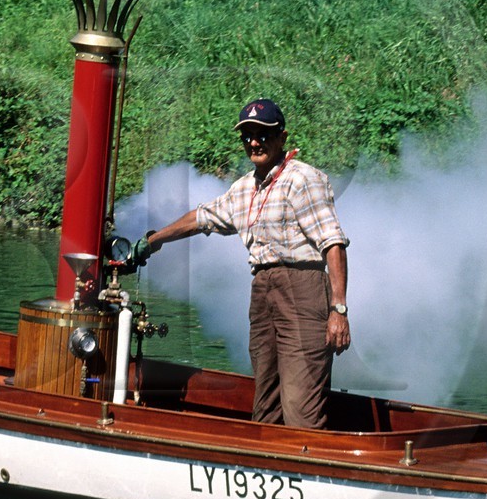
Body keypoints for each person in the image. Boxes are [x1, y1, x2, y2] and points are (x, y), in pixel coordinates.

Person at [132, 98, 350, 429]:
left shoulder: (302, 179)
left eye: (263, 133)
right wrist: (155, 240)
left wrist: (338, 311)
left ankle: (308, 465)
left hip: (303, 290)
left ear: (282, 137)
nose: (254, 141)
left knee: (301, 403)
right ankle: (265, 464)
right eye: (247, 134)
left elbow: (332, 243)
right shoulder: (246, 188)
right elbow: (203, 217)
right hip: (263, 290)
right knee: (266, 396)